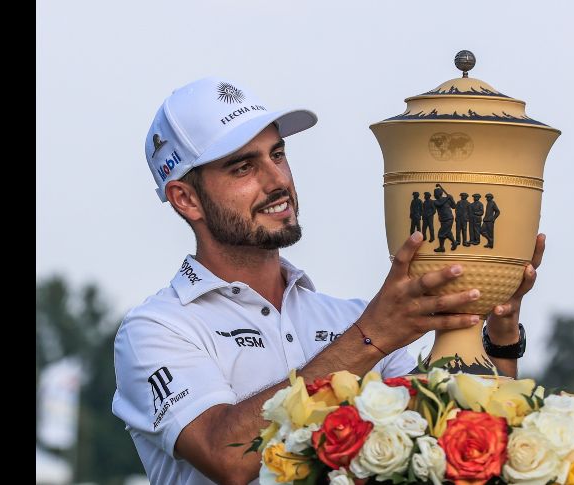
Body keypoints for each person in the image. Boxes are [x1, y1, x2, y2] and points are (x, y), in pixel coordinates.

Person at [112, 76, 544, 485]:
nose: (277, 180)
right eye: (243, 168)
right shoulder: (157, 329)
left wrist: (496, 331)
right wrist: (371, 337)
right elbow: (225, 453)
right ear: (186, 199)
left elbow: (461, 446)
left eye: (277, 155)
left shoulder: (352, 317)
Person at [432, 184, 458, 252]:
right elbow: (440, 204)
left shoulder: (446, 199)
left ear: (439, 194)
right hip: (443, 219)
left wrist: (452, 199)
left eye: (435, 193)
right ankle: (454, 242)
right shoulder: (435, 201)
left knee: (441, 233)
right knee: (448, 232)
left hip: (448, 219)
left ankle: (441, 247)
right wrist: (448, 198)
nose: (434, 195)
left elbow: (454, 206)